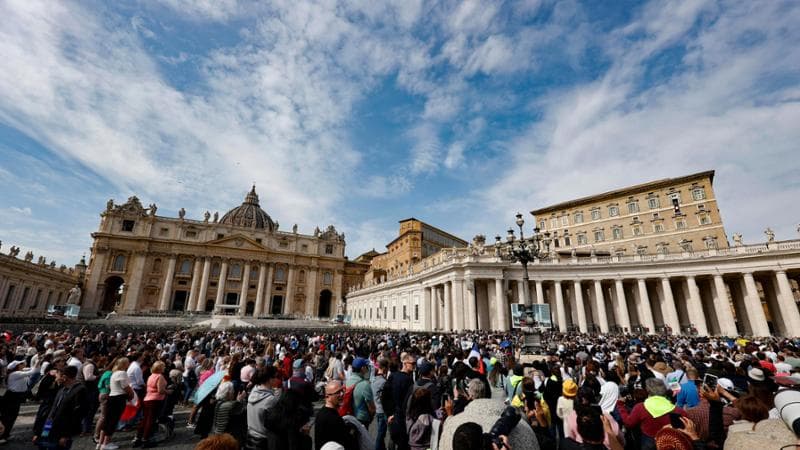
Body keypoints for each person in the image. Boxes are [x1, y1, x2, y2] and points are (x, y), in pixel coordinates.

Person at [616, 378, 687, 450]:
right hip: (672, 443)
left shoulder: (640, 407)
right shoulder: (678, 410)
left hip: (649, 442)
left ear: (647, 390)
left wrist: (620, 406)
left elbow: (629, 423)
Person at [33, 365, 88, 449]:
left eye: (57, 376)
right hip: (51, 428)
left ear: (64, 377)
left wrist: (66, 435)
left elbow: (77, 415)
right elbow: (52, 412)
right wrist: (42, 433)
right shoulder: (62, 389)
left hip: (62, 433)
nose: (56, 378)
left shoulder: (80, 390)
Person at [99, 357, 134, 450]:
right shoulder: (122, 373)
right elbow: (125, 387)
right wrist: (131, 394)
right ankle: (106, 443)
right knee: (113, 421)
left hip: (112, 397)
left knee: (107, 420)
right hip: (119, 398)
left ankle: (100, 443)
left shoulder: (114, 373)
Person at [0, 359, 35, 444]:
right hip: (12, 397)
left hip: (16, 397)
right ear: (17, 366)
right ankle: (2, 436)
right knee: (8, 417)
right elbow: (33, 371)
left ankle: (5, 434)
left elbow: (31, 369)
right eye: (21, 364)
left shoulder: (19, 372)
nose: (24, 364)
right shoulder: (16, 374)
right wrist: (37, 362)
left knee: (11, 417)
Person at [133, 361, 167, 447]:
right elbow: (160, 390)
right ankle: (146, 439)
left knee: (145, 419)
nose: (165, 368)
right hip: (155, 400)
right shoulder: (160, 376)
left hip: (147, 399)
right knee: (151, 420)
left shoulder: (151, 376)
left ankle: (138, 438)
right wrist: (168, 391)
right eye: (163, 366)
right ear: (160, 368)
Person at [246, 366, 280, 450]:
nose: (278, 379)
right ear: (269, 379)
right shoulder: (271, 399)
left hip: (250, 436)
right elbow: (277, 422)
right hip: (264, 440)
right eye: (276, 376)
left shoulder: (254, 390)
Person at [315, 380, 356, 450]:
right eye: (337, 392)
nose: (342, 394)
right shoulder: (331, 418)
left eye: (342, 391)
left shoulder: (325, 412)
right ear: (327, 396)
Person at [386, 354, 416, 450]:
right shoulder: (406, 379)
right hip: (401, 416)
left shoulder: (394, 376)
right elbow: (386, 396)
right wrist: (389, 413)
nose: (414, 366)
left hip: (398, 415)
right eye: (412, 363)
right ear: (405, 363)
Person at [372, 358, 389, 450]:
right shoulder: (383, 382)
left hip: (376, 408)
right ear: (384, 368)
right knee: (381, 433)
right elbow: (384, 398)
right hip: (382, 410)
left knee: (380, 432)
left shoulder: (374, 379)